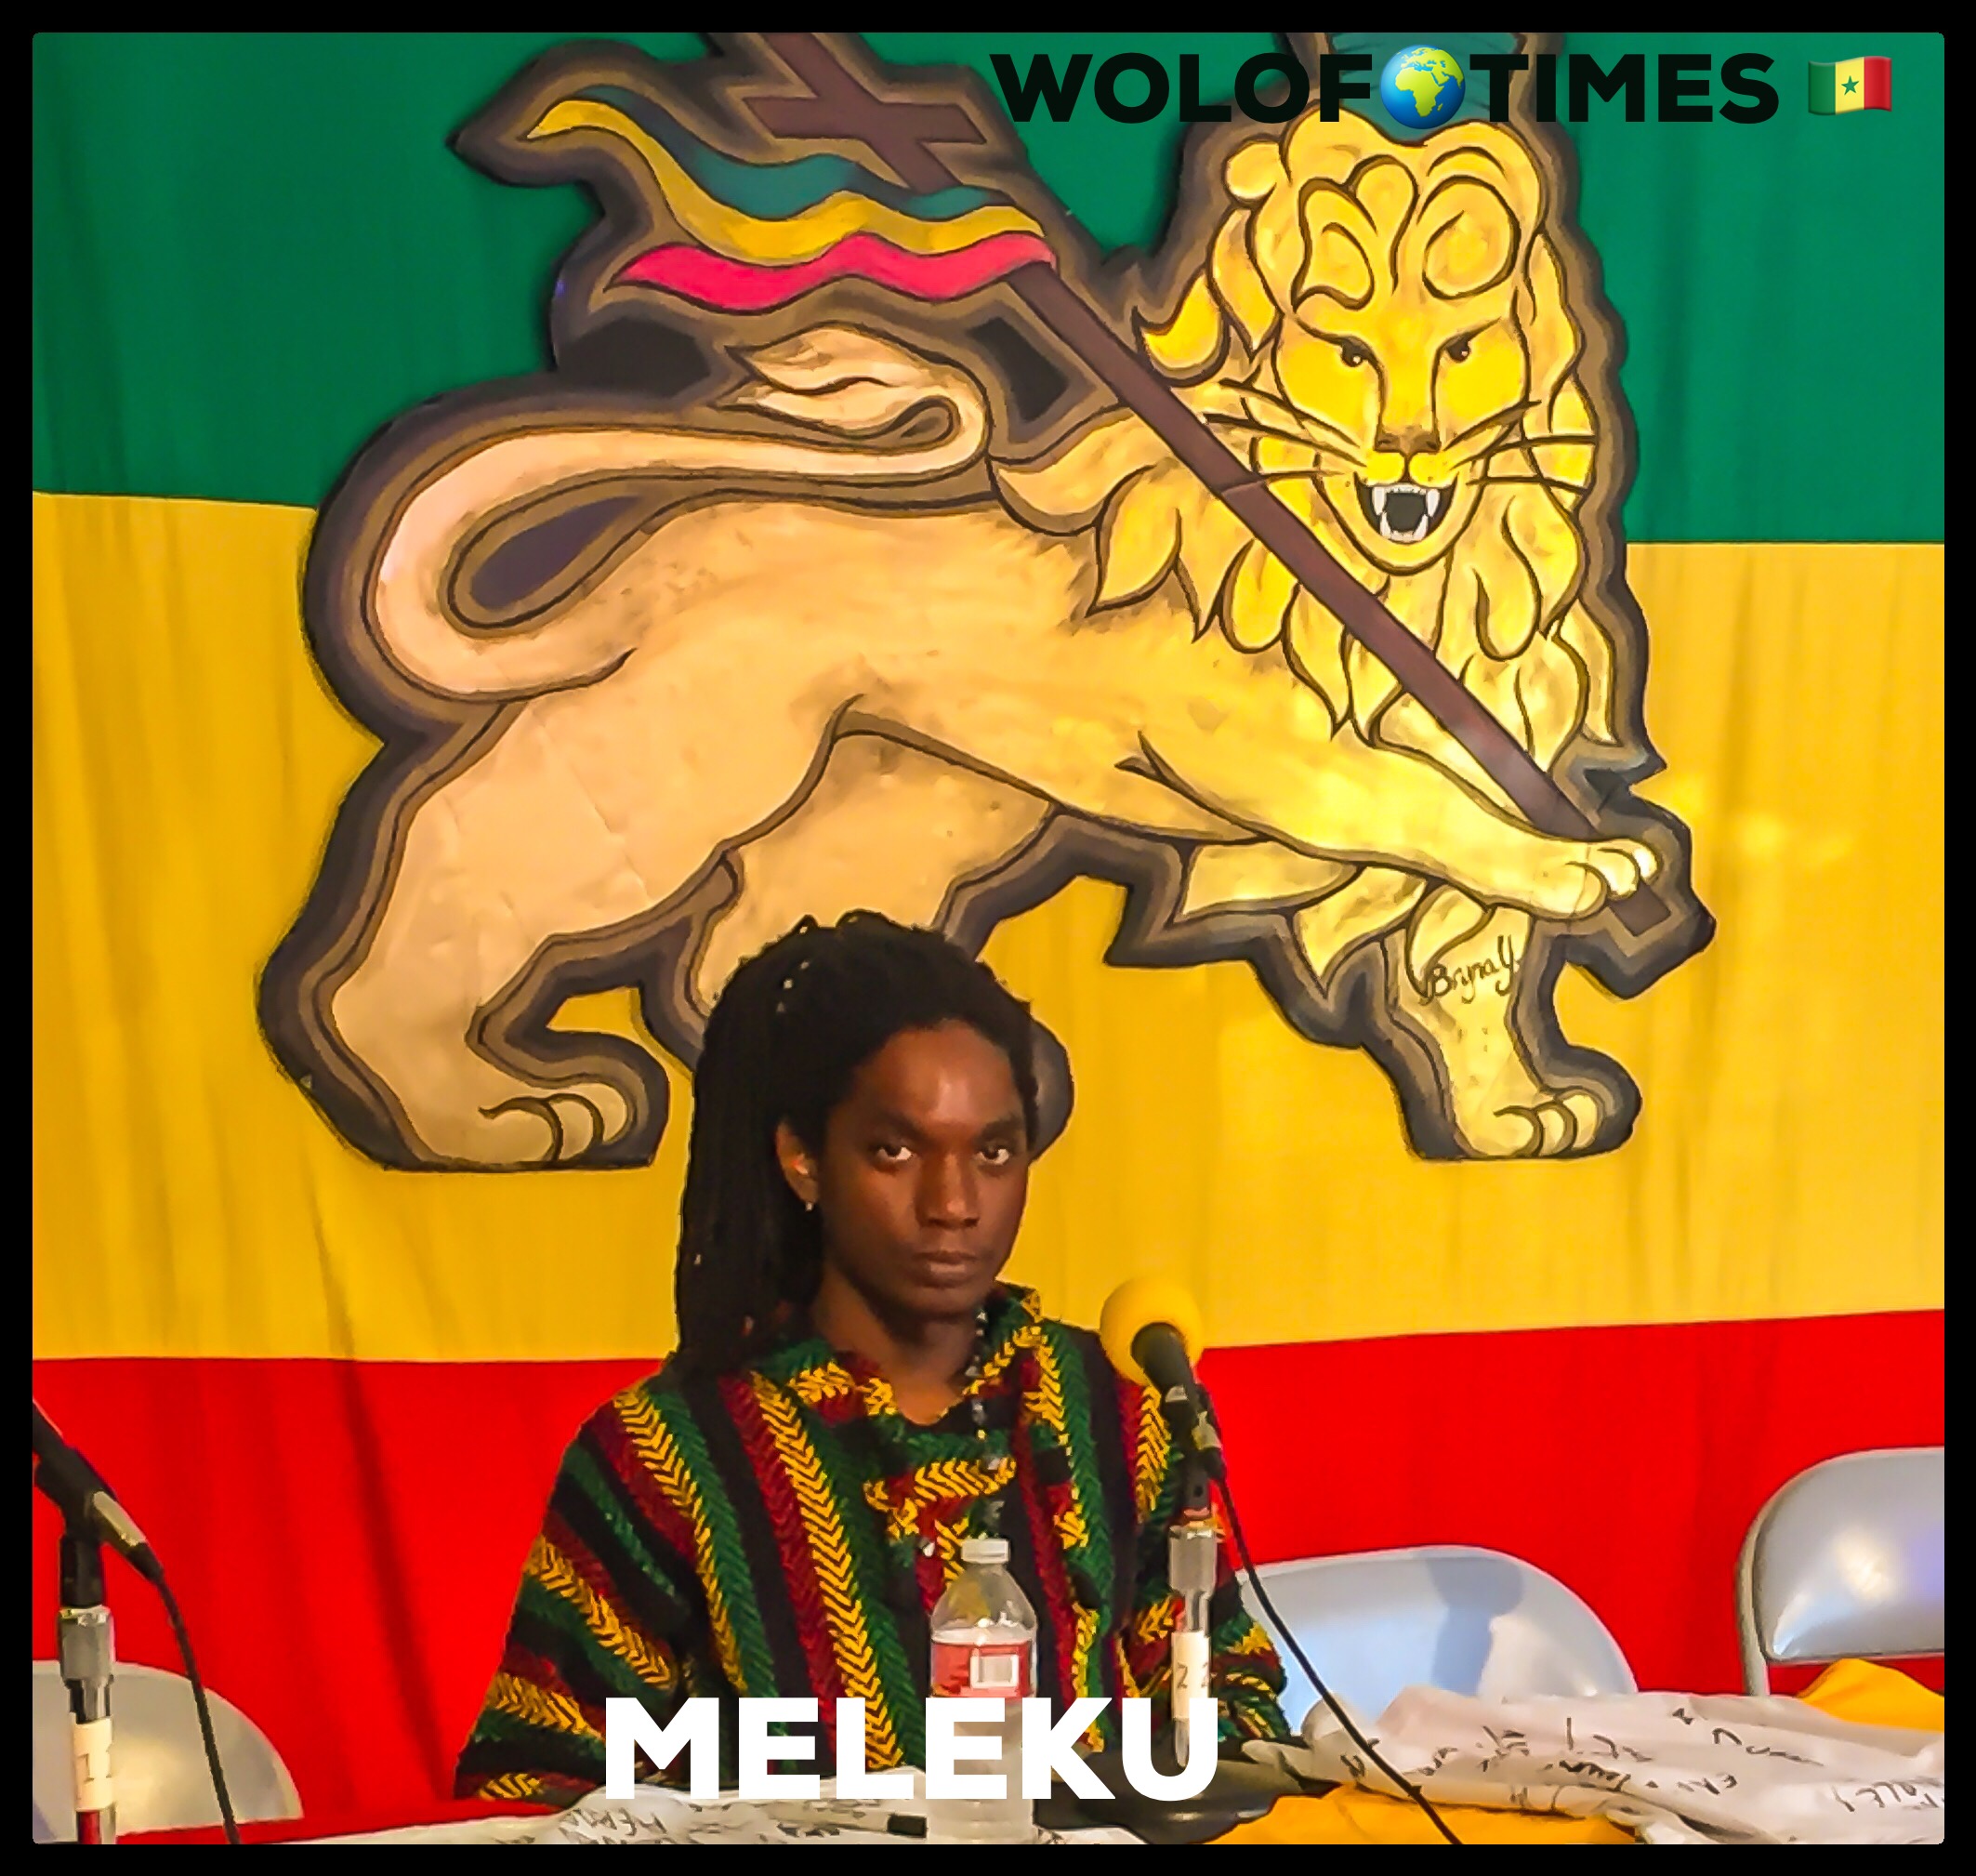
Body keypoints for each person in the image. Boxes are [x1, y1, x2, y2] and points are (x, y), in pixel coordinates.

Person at [455, 912, 1285, 1802]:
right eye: (896, 1150)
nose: (954, 1203)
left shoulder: (1119, 1415)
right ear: (804, 1160)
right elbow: (535, 1785)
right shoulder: (668, 1452)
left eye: (993, 1152)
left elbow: (1232, 1713)